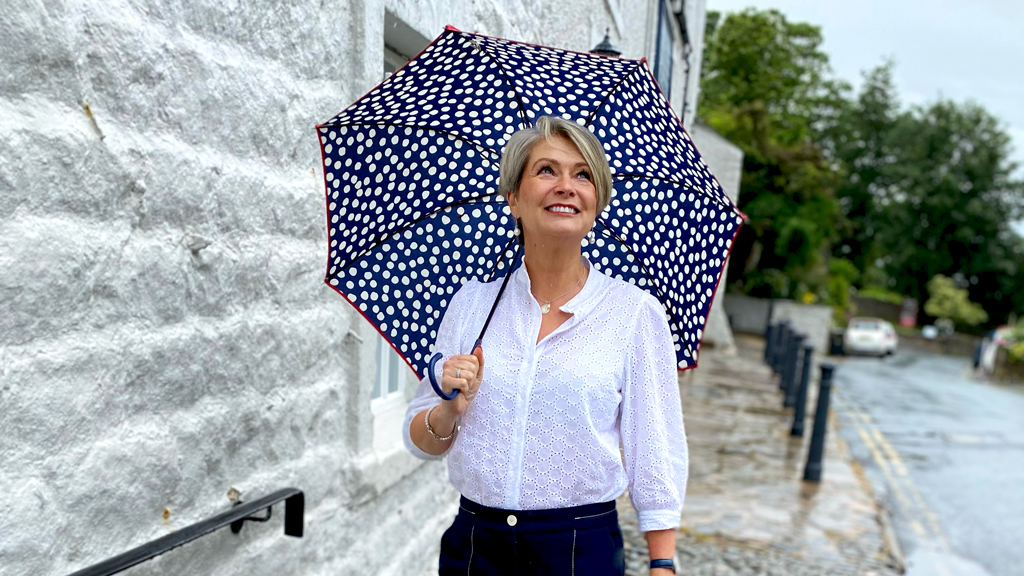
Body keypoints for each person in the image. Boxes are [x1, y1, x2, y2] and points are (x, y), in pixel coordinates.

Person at [403, 116, 687, 575]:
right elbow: (420, 442)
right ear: (514, 198)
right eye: (546, 171)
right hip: (475, 544)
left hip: (581, 549)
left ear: (597, 202)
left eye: (583, 174)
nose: (566, 186)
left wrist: (663, 562)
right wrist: (449, 410)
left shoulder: (633, 313)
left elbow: (653, 445)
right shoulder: (473, 304)